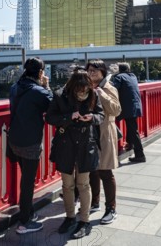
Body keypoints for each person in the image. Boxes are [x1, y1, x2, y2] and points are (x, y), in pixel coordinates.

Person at [46, 69, 104, 239]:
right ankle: (70, 217)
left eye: (85, 88)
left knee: (84, 184)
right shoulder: (60, 95)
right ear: (72, 86)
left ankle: (84, 221)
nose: (83, 92)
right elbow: (49, 118)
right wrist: (69, 116)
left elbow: (101, 115)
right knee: (67, 184)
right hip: (66, 144)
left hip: (87, 143)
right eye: (79, 89)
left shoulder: (94, 94)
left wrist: (91, 118)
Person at [8, 57, 53, 235]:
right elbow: (53, 106)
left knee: (25, 179)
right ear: (41, 72)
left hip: (14, 140)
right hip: (30, 142)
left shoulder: (15, 87)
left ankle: (29, 213)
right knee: (28, 183)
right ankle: (24, 222)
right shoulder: (38, 91)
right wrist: (46, 86)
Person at [86, 59, 121, 225]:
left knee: (105, 172)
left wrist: (101, 93)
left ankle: (111, 208)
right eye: (89, 70)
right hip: (89, 133)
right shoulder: (85, 86)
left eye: (95, 70)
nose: (91, 73)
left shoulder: (108, 87)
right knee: (92, 170)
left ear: (103, 72)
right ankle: (95, 202)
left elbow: (116, 109)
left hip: (104, 133)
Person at [111, 62, 146, 163]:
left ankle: (140, 155)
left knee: (133, 130)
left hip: (128, 107)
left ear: (119, 70)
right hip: (136, 106)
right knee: (132, 127)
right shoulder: (133, 76)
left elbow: (113, 89)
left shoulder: (119, 77)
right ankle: (129, 145)